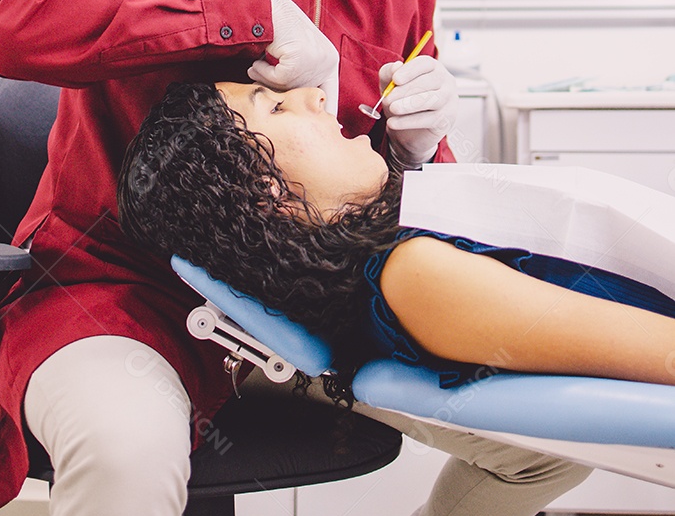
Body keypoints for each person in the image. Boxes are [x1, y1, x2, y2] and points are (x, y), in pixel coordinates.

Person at [0, 0, 590, 516]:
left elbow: (388, 202)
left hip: (305, 310)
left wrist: (419, 151)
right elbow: (24, 20)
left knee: (549, 444)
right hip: (119, 292)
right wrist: (242, 15)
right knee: (127, 456)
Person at [118, 80, 675, 398]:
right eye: (278, 106)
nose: (316, 94)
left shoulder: (403, 255)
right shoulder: (416, 277)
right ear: (265, 193)